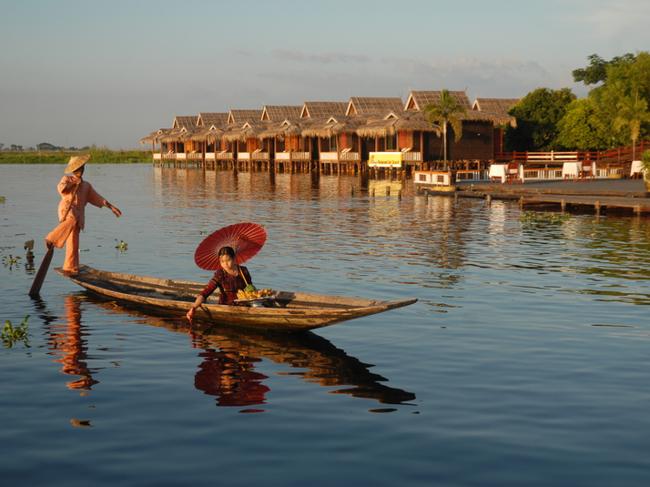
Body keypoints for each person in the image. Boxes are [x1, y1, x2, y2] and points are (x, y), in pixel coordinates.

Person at [45, 154, 122, 275]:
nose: (80, 171)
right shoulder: (67, 179)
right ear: (73, 170)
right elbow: (61, 189)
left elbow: (97, 198)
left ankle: (70, 267)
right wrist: (73, 183)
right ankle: (51, 238)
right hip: (67, 210)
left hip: (79, 214)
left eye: (81, 168)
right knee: (72, 220)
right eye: (77, 169)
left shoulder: (86, 186)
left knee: (73, 241)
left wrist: (111, 207)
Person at [186, 246, 252, 323]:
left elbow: (250, 290)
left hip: (244, 306)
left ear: (234, 259)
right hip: (226, 306)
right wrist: (194, 307)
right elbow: (206, 292)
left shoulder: (243, 271)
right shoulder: (220, 274)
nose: (225, 264)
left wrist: (251, 290)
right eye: (222, 261)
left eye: (228, 260)